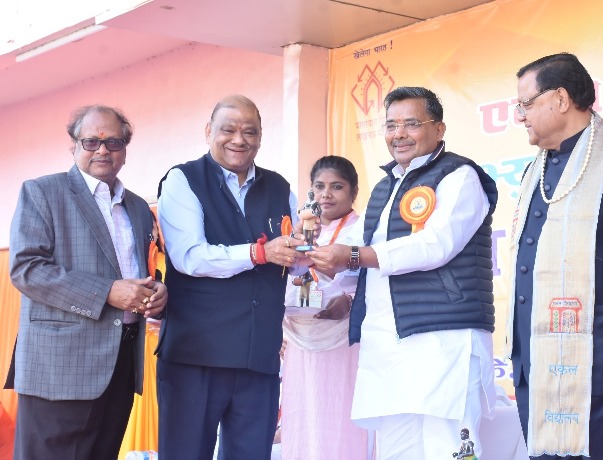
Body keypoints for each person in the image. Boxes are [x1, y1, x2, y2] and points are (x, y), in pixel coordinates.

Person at [308, 86, 498, 460]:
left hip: (442, 338)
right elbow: (361, 255)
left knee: (450, 448)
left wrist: (353, 256)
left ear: (439, 128)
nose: (399, 134)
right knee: (397, 450)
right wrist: (313, 258)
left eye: (411, 124)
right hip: (387, 345)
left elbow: (436, 244)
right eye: (391, 125)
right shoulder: (385, 187)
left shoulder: (459, 176)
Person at [508, 53, 603, 459]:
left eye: (525, 104)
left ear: (561, 99)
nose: (520, 116)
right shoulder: (534, 171)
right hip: (536, 362)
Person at [7, 105, 167, 459]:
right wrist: (107, 292)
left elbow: (138, 268)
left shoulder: (138, 207)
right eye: (91, 141)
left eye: (113, 142)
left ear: (124, 148)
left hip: (121, 361)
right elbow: (26, 269)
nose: (102, 150)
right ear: (74, 145)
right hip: (60, 367)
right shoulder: (43, 192)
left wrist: (157, 291)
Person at [156, 94, 305, 459]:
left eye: (249, 131)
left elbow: (293, 259)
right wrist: (258, 253)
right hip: (197, 354)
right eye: (228, 130)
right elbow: (190, 257)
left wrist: (309, 257)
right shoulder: (183, 179)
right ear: (209, 131)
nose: (239, 139)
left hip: (259, 354)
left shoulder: (279, 188)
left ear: (261, 137)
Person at [281, 155, 369, 460]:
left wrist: (348, 302)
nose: (326, 194)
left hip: (345, 339)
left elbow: (372, 281)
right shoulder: (302, 231)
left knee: (340, 411)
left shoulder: (363, 229)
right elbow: (291, 280)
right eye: (319, 187)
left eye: (337, 187)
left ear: (354, 191)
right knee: (305, 412)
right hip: (302, 335)